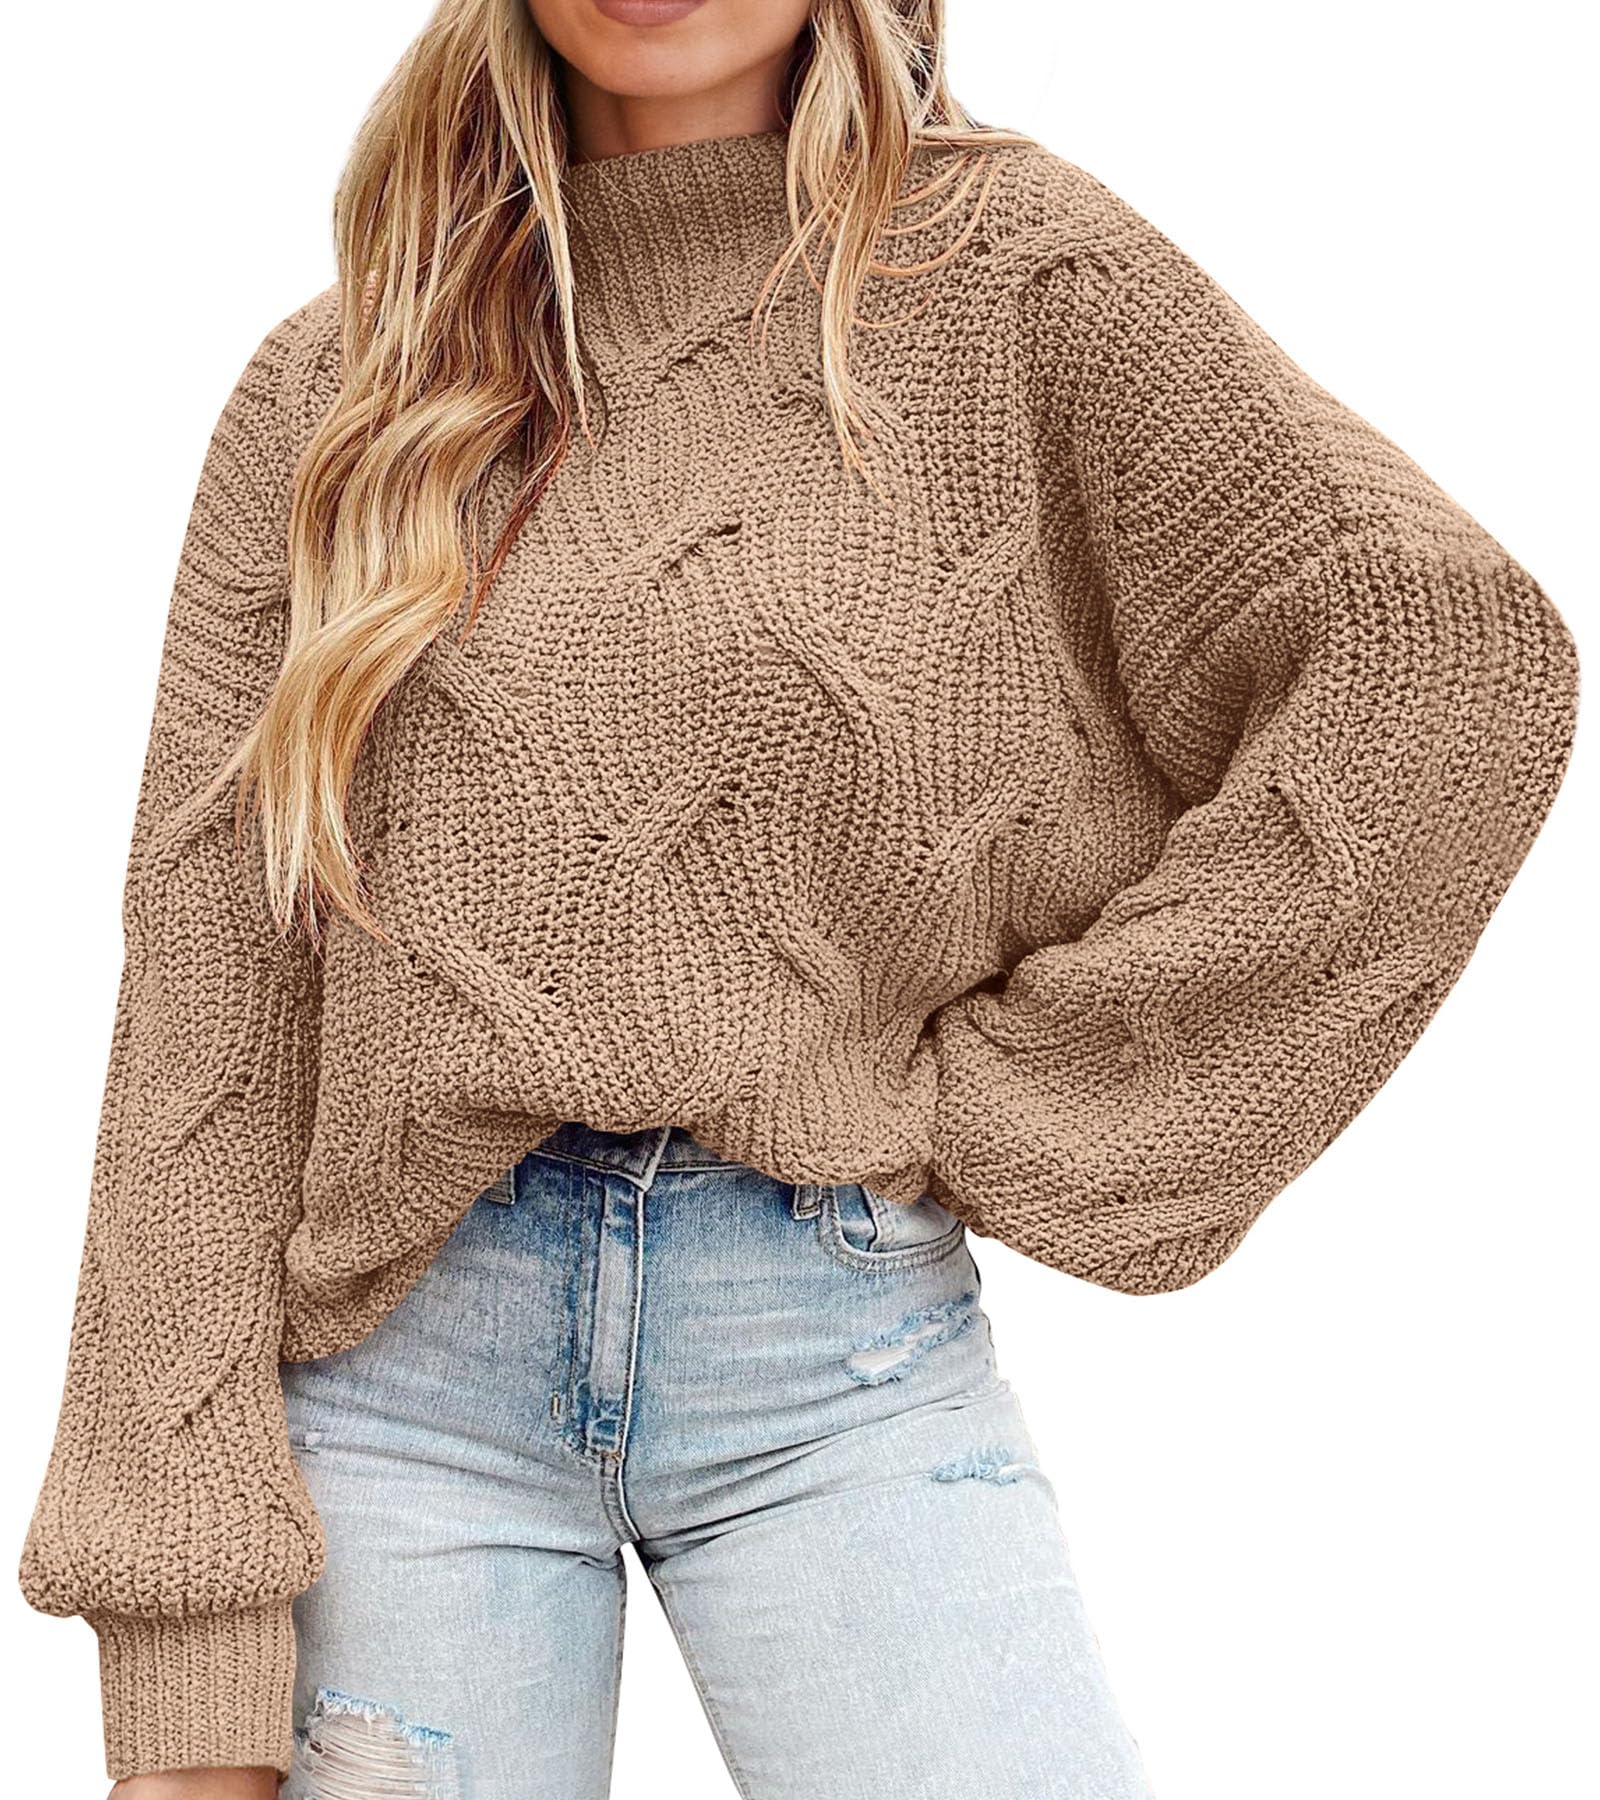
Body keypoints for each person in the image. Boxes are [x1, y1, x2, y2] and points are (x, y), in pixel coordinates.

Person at [16, 0, 1581, 1796]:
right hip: (396, 1395)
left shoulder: (1015, 278)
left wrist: (1033, 1104)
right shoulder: (338, 387)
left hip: (827, 1358)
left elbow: (1442, 660)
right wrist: (185, 1661)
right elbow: (208, 1025)